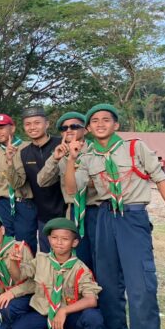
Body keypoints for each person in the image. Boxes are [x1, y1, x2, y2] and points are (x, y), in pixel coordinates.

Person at [65, 103, 165, 329]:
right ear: (87, 128)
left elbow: (160, 178)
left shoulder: (134, 147)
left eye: (105, 119)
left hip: (132, 218)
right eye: (94, 120)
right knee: (108, 288)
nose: (100, 123)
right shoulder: (86, 157)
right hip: (104, 219)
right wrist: (72, 159)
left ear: (116, 124)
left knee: (141, 289)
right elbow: (72, 188)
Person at [9, 218, 103, 329]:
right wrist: (14, 262)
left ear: (74, 243)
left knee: (94, 317)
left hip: (68, 317)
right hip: (44, 312)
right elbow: (18, 276)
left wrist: (64, 311)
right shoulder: (41, 259)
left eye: (65, 239)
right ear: (49, 239)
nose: (59, 242)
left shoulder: (80, 269)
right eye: (54, 238)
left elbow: (92, 299)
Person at [36, 111, 101, 271]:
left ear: (85, 130)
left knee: (100, 254)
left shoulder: (97, 151)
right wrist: (55, 158)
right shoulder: (61, 155)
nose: (69, 130)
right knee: (77, 254)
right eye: (64, 128)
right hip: (73, 211)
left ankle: (98, 293)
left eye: (74, 126)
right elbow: (42, 181)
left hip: (96, 210)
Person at [0, 114, 37, 254]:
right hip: (3, 204)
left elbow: (22, 182)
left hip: (24, 203)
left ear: (13, 128)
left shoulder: (28, 149)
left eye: (2, 128)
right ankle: (9, 274)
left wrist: (11, 162)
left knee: (26, 243)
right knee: (5, 242)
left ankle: (28, 273)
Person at [14, 106, 65, 253]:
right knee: (45, 254)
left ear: (47, 124)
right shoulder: (24, 152)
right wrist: (10, 162)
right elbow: (19, 182)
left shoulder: (61, 144)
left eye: (37, 122)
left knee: (66, 254)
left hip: (65, 211)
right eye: (28, 124)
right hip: (42, 214)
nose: (32, 127)